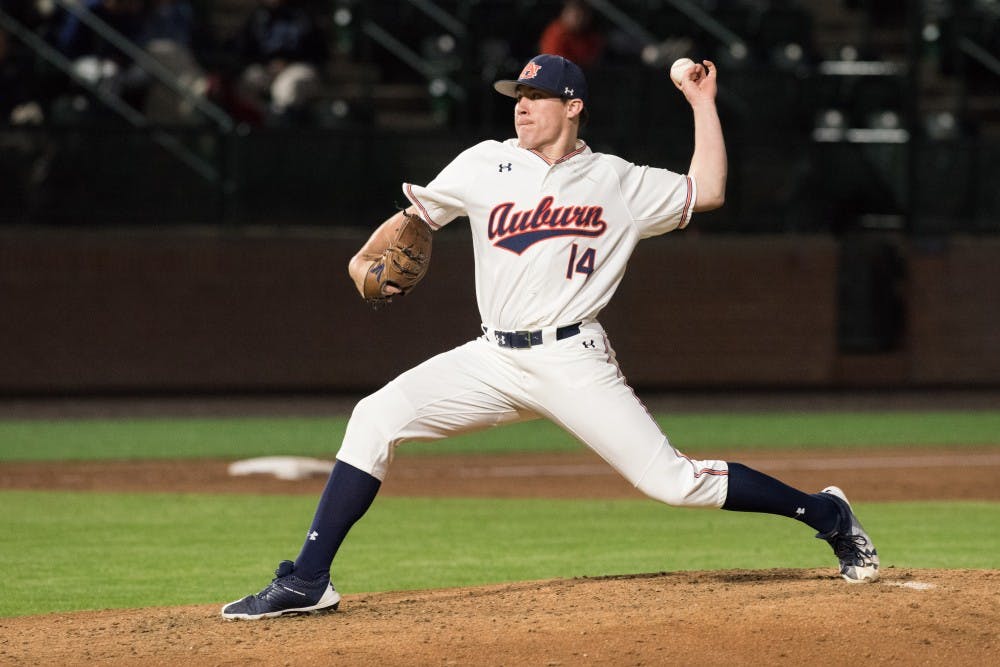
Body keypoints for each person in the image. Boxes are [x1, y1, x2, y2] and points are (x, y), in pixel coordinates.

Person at [221, 54, 879, 620]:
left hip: (573, 357)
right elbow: (412, 219)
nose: (522, 107)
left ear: (573, 106)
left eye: (536, 97)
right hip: (492, 356)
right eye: (518, 96)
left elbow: (707, 190)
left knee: (674, 482)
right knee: (375, 415)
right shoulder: (484, 164)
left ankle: (827, 514)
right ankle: (307, 578)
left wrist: (702, 101)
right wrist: (364, 257)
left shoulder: (616, 181)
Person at [233, 0, 328, 124]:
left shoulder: (303, 15)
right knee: (248, 81)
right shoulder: (258, 16)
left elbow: (318, 52)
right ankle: (256, 127)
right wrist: (267, 63)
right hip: (267, 68)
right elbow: (244, 50)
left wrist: (288, 62)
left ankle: (282, 131)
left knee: (285, 88)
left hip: (298, 67)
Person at [538, 0, 605, 67]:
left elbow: (594, 59)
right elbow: (557, 64)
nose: (581, 20)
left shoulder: (589, 34)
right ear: (565, 14)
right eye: (577, 16)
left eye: (585, 16)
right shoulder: (556, 34)